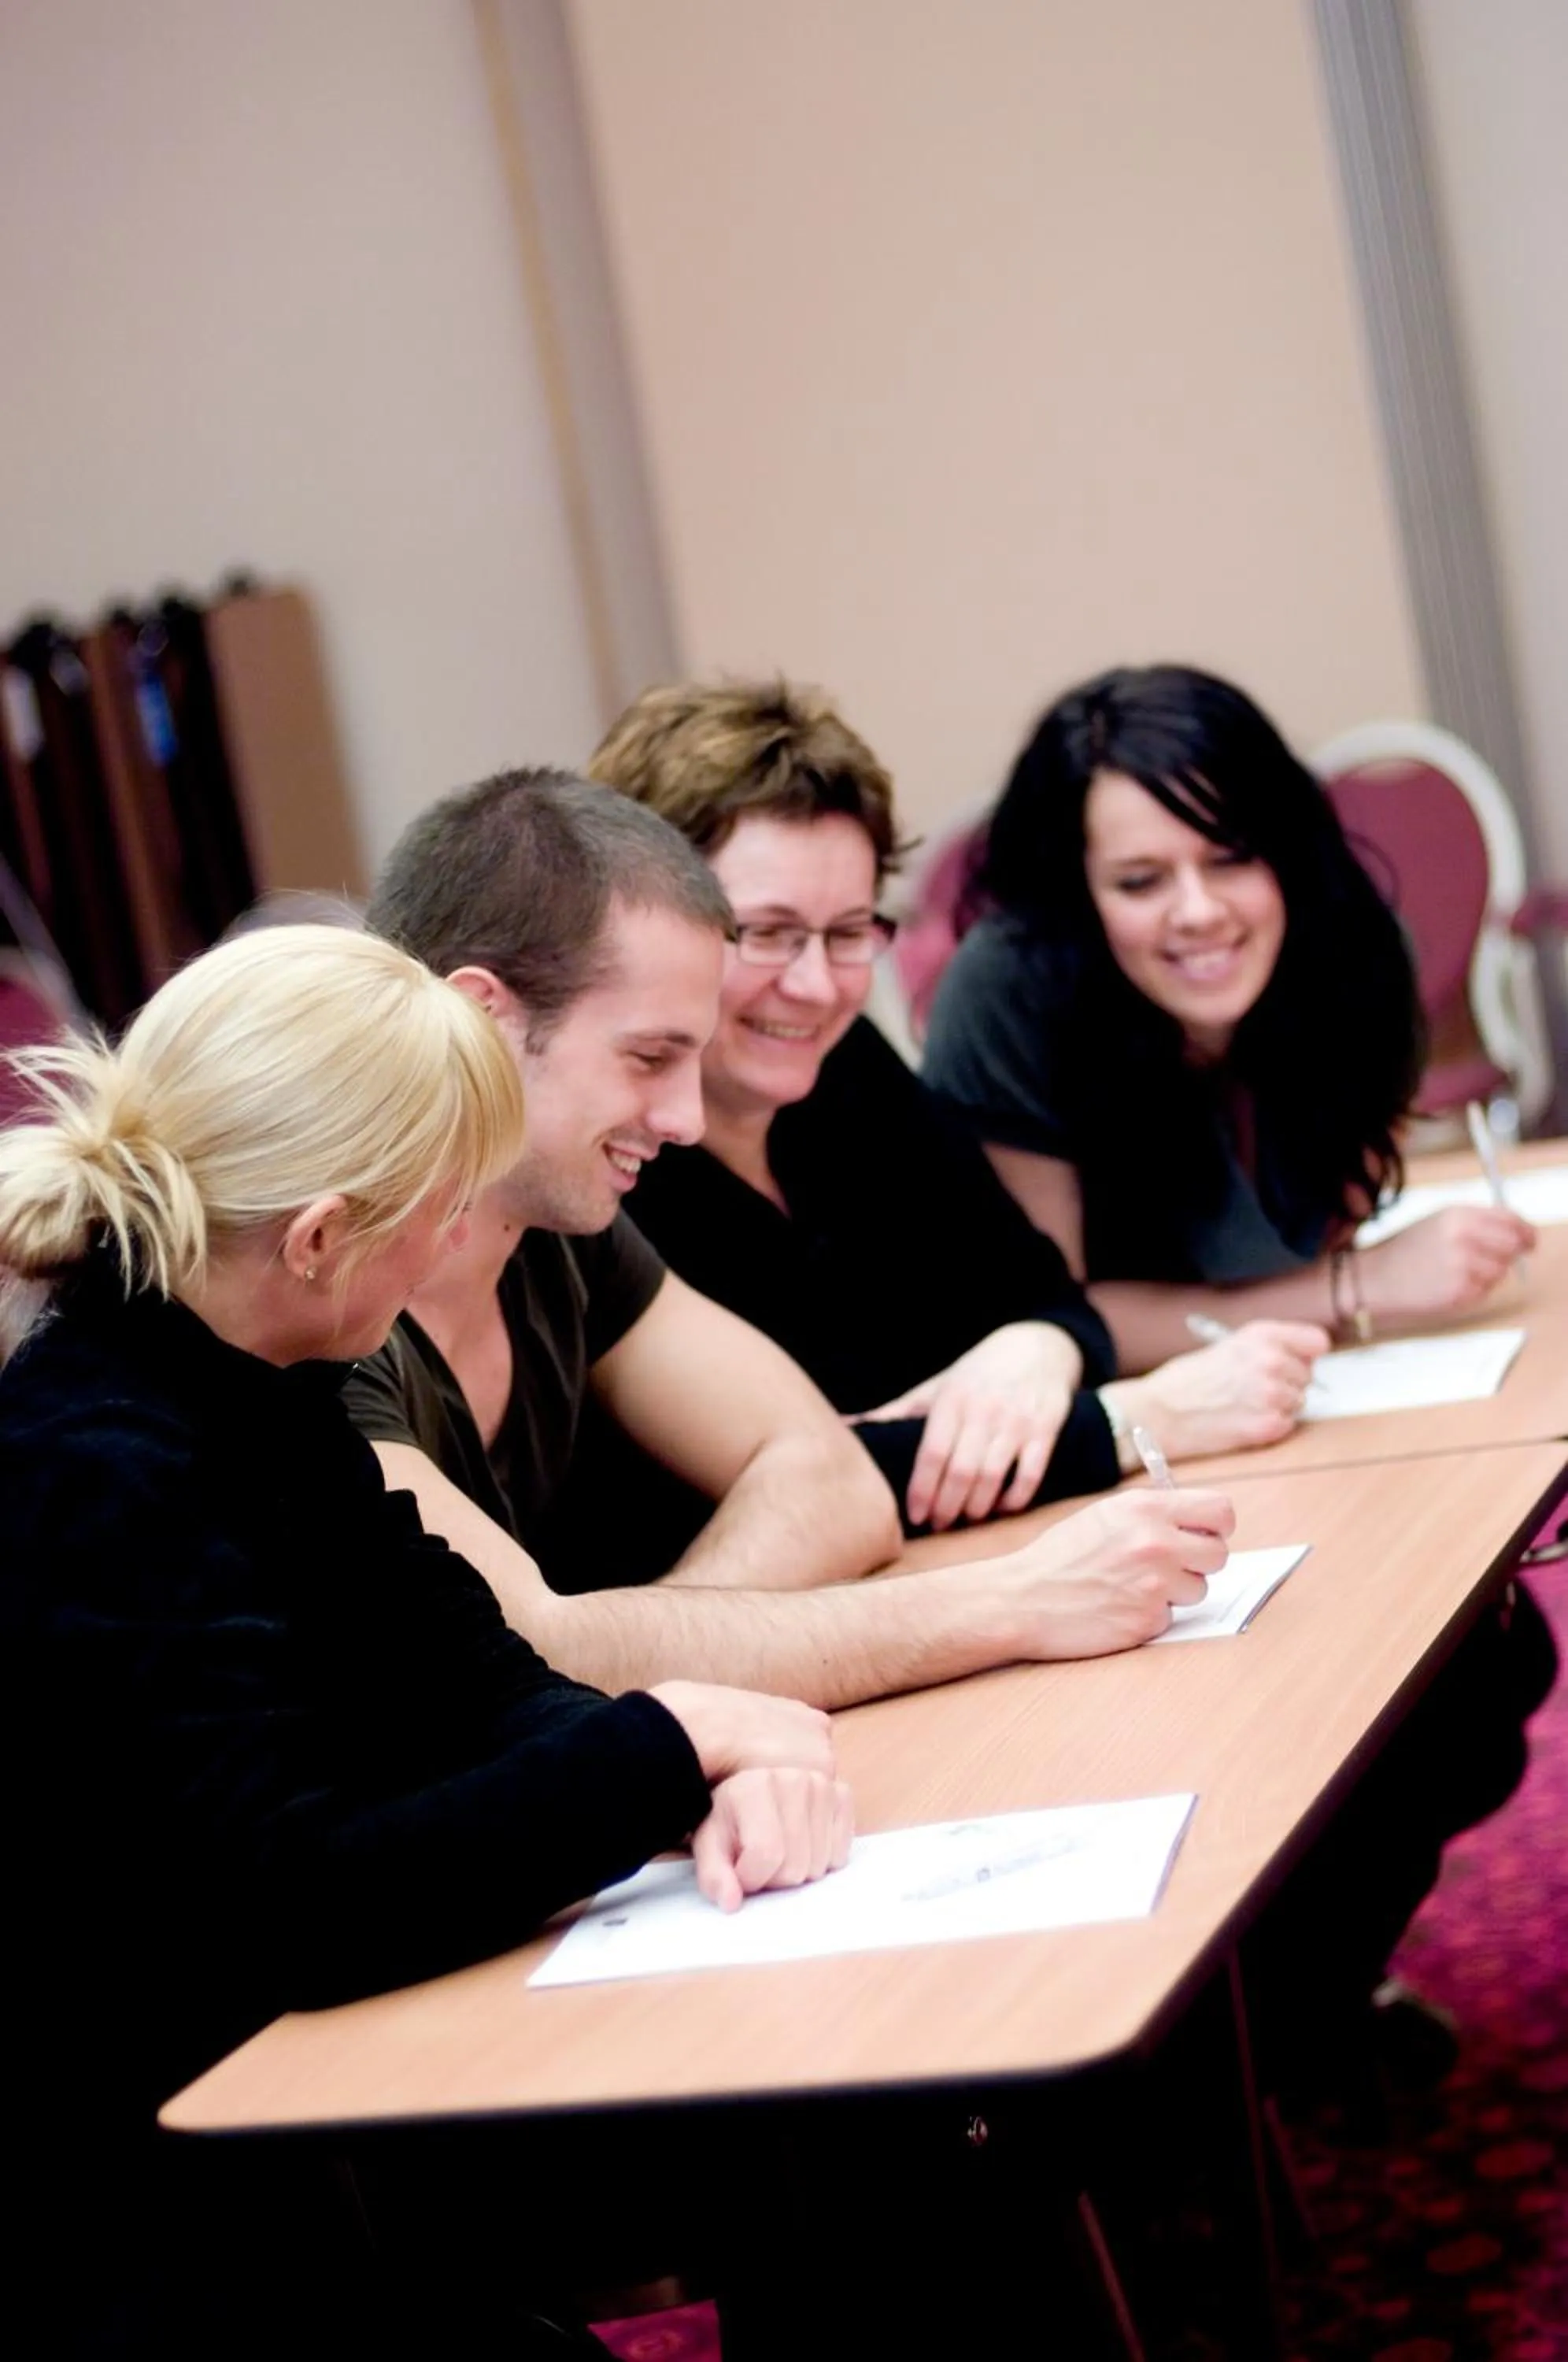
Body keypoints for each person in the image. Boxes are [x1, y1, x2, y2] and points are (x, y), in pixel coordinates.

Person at [0, 925, 849, 2353]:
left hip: (314, 2113)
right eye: (445, 1208)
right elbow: (294, 1905)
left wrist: (696, 1758)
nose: (465, 1240)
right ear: (325, 1236)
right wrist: (672, 1740)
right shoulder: (92, 1466)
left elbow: (481, 1684)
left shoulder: (259, 1385)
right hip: (152, 2205)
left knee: (831, 2146)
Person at [347, 768, 1233, 1707]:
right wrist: (1016, 1599)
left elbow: (833, 1480)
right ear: (483, 1017)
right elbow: (529, 1655)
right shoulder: (309, 1298)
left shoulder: (556, 1225)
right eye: (649, 1057)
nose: (685, 1118)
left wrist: (658, 1657)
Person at [586, 676, 1329, 1534]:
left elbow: (1049, 1300)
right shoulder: (613, 1170)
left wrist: (1031, 1352)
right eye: (767, 933)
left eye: (848, 932)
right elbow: (739, 1500)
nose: (818, 985)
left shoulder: (845, 1069)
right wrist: (1132, 1421)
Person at [922, 662, 1537, 1372]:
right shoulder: (1008, 990)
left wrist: (1340, 1287)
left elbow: (1321, 1249)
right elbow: (1050, 1325)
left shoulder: (1352, 948)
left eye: (1231, 858)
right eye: (1141, 881)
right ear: (1076, 896)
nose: (1200, 912)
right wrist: (1357, 1285)